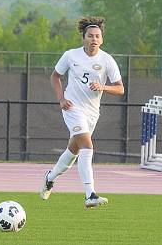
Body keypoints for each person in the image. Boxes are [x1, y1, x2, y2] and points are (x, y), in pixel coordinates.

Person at [40, 16, 124, 207]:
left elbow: (120, 89)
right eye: (90, 36)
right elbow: (55, 76)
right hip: (72, 108)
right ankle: (90, 194)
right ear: (83, 38)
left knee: (74, 150)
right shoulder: (71, 55)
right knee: (87, 146)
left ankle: (50, 177)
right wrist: (61, 99)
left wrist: (103, 87)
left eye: (97, 36)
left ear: (102, 40)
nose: (94, 39)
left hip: (92, 113)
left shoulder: (107, 60)